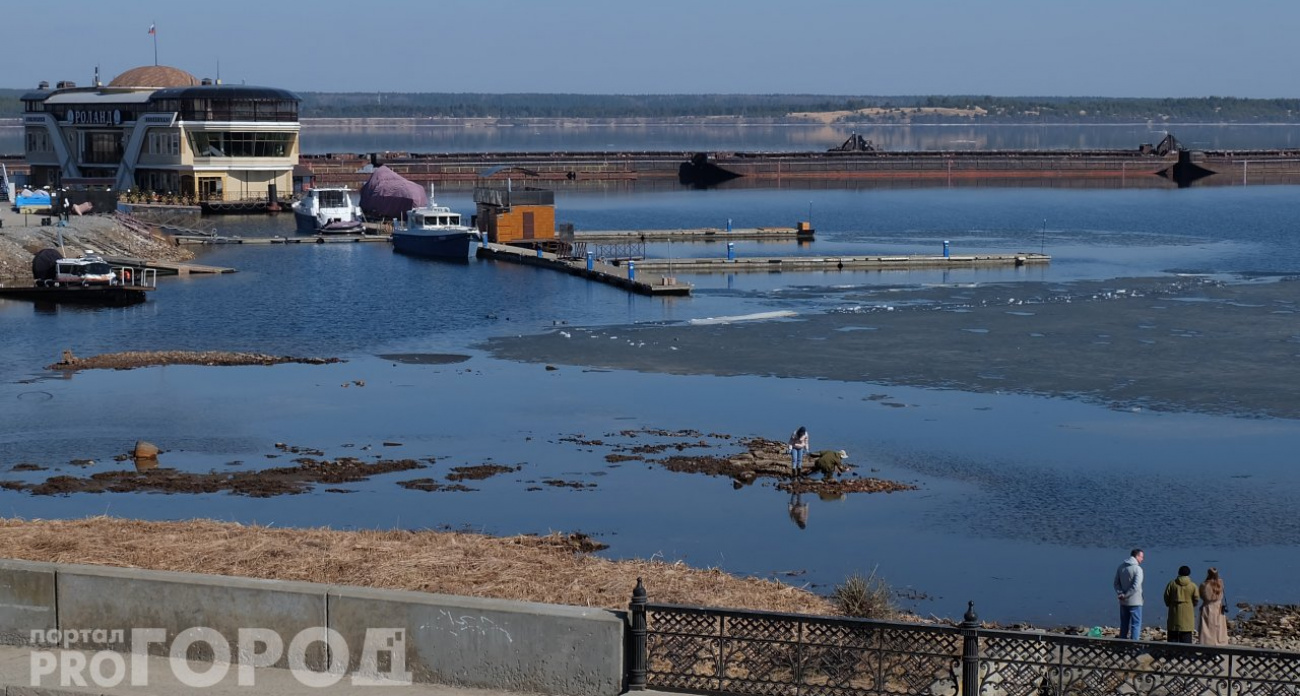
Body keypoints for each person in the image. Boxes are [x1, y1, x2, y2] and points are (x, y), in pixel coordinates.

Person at [1113, 549, 1145, 640]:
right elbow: (1136, 586)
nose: (1142, 559)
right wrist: (1126, 595)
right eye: (1141, 557)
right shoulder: (1138, 569)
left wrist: (1121, 593)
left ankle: (1122, 643)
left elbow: (1116, 583)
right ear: (1137, 556)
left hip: (1123, 601)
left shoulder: (1121, 567)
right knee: (1136, 624)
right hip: (1135, 601)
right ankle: (1134, 644)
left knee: (1124, 623)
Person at [1163, 565, 1200, 643]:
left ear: (1179, 572)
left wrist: (1169, 604)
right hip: (1188, 613)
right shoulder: (1192, 585)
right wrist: (1192, 605)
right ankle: (1185, 650)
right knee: (1186, 636)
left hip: (1174, 613)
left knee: (1172, 636)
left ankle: (1172, 650)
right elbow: (1196, 598)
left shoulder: (1172, 584)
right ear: (1189, 573)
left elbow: (1166, 596)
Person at [1197, 567, 1229, 646]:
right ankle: (1219, 642)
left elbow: (1201, 596)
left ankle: (1207, 643)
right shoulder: (1220, 583)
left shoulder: (1204, 585)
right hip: (1218, 607)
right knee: (1219, 627)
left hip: (1207, 607)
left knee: (1207, 628)